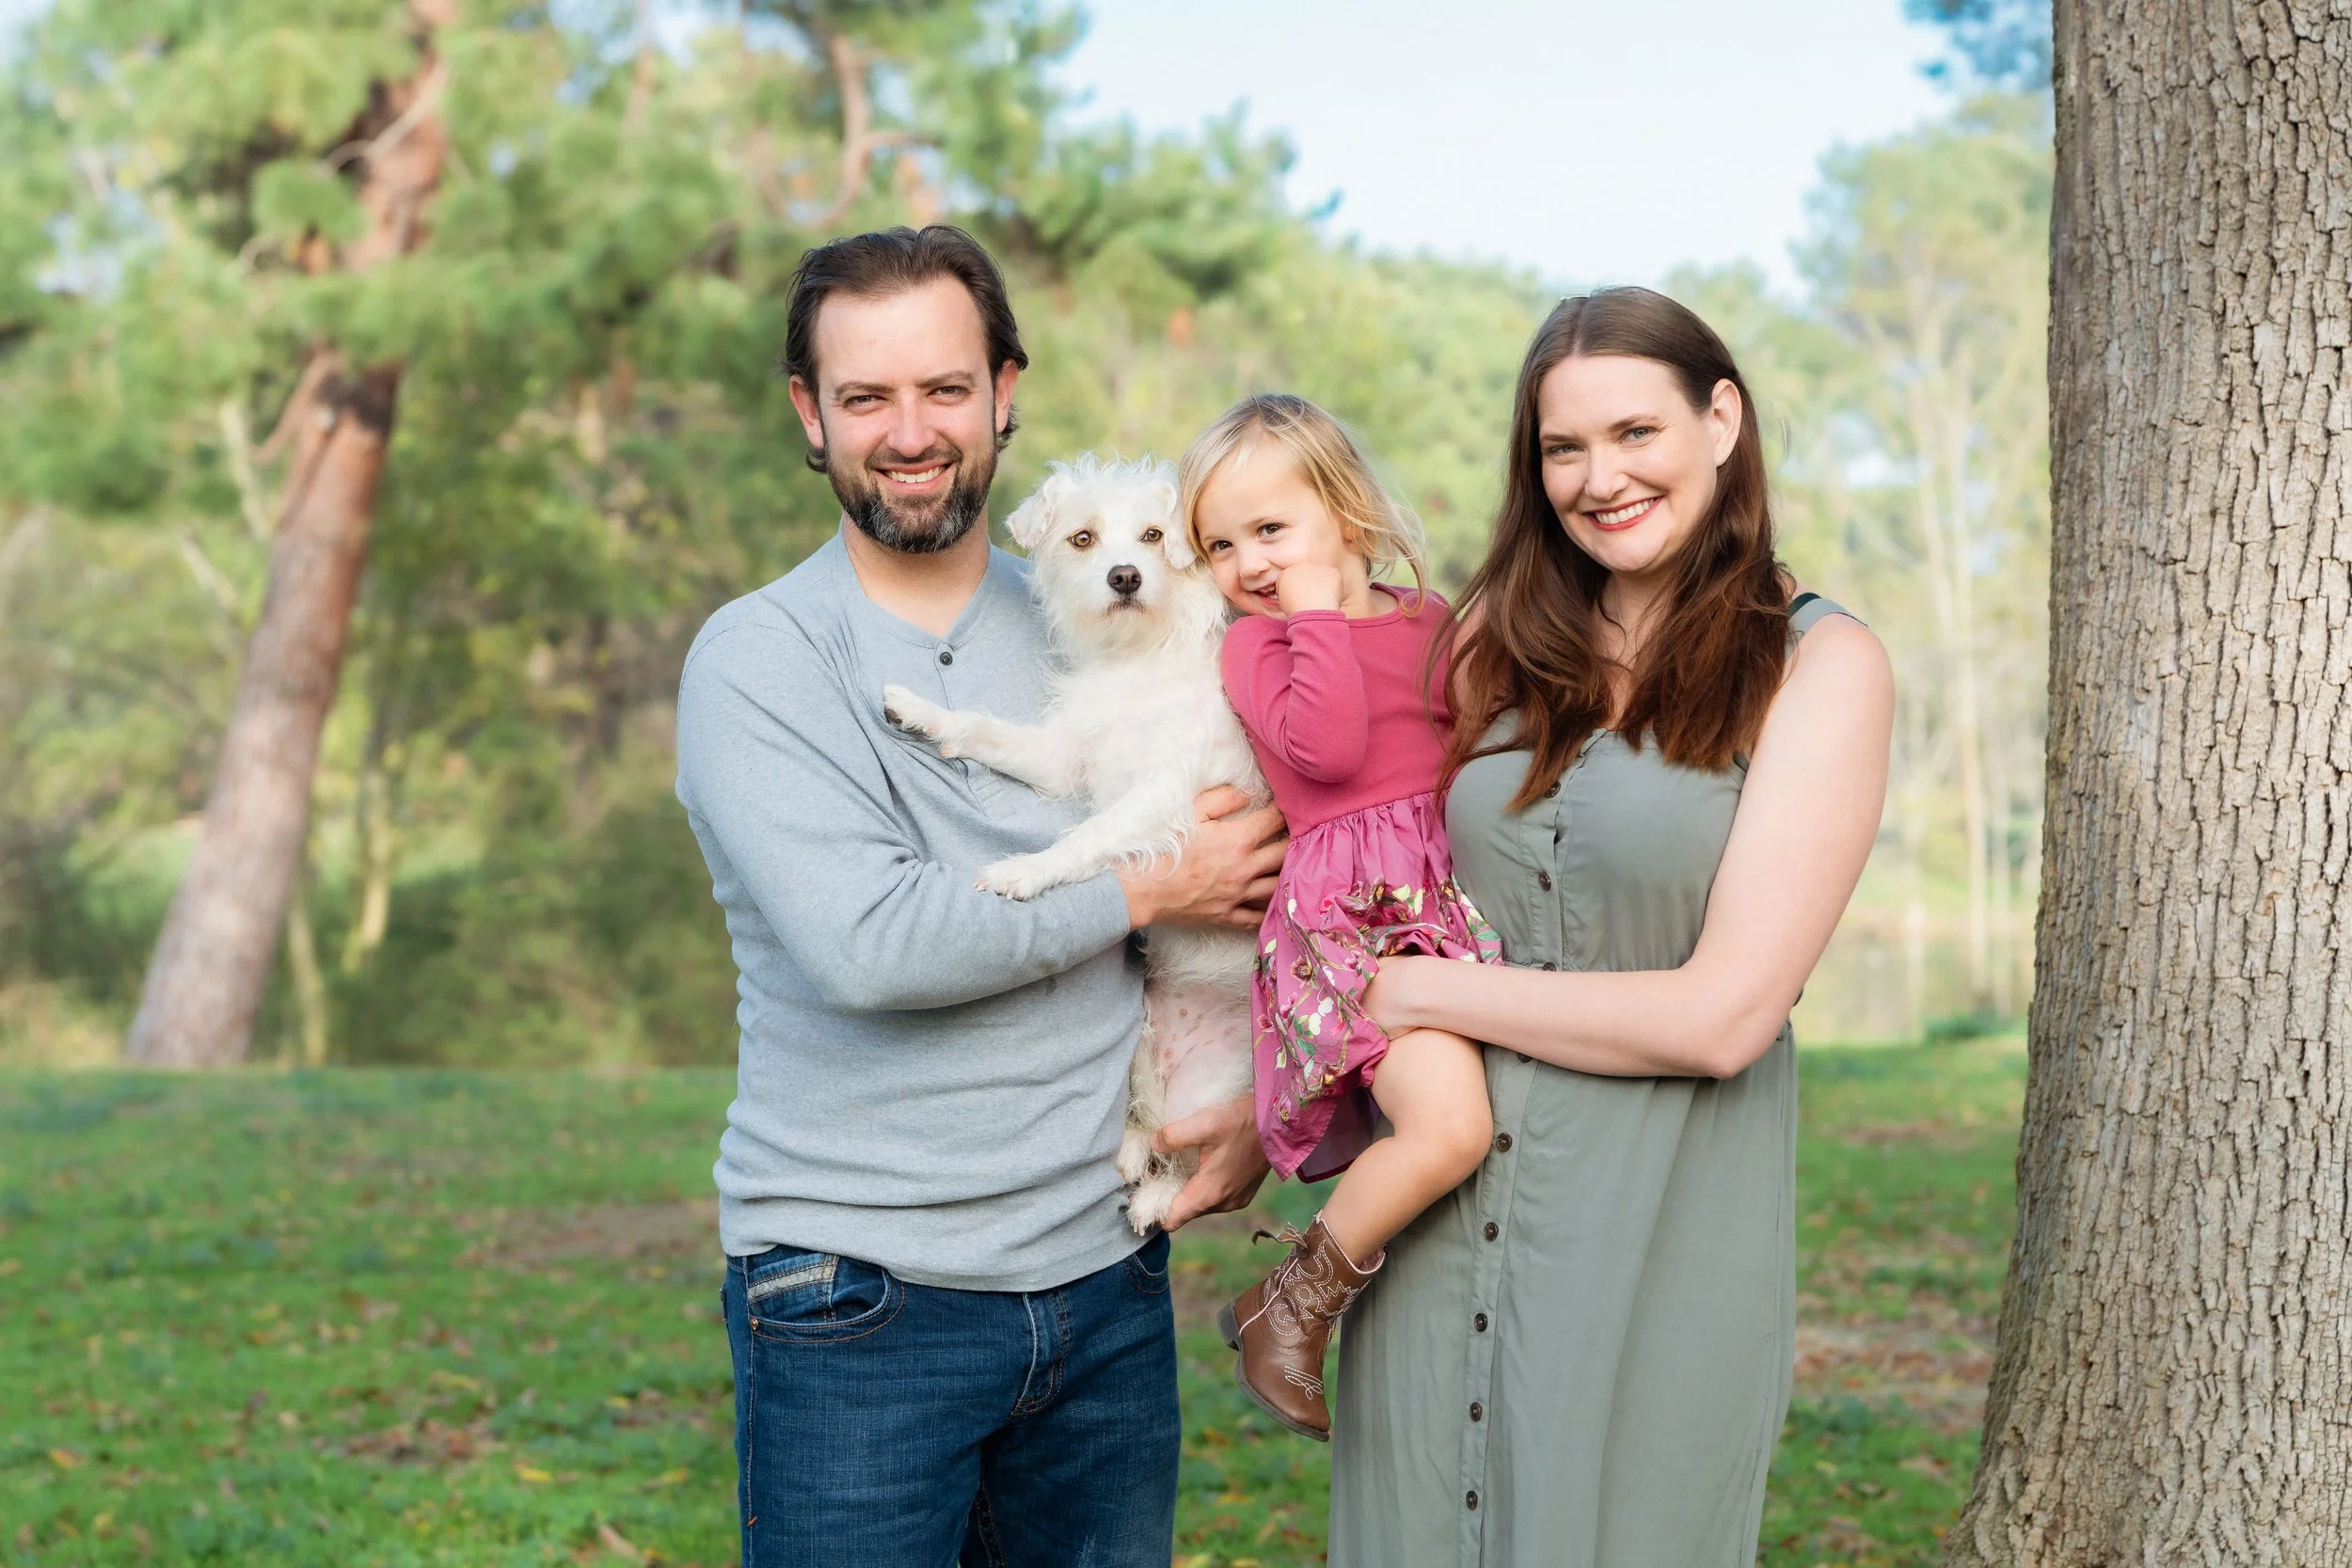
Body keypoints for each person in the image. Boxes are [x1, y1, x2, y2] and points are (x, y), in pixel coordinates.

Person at [672, 225, 1280, 1568]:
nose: (910, 430)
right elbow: (874, 945)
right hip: (857, 1296)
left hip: (1103, 1282)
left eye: (944, 388)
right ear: (808, 415)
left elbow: (1243, 848)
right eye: (866, 395)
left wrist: (1240, 1090)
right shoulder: (760, 660)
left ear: (1004, 392)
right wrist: (1154, 879)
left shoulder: (1104, 603)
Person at [1327, 287, 1894, 1567]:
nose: (1601, 477)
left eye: (1636, 431)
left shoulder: (1819, 664)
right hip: (1430, 1236)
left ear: (1723, 420)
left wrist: (1424, 996)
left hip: (1657, 1253)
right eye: (1563, 447)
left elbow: (1723, 1015)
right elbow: (1346, 844)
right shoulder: (1484, 640)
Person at [1176, 394, 1502, 1442]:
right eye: (1218, 544)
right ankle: (1288, 1307)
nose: (1248, 563)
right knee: (1451, 1125)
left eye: (1272, 530)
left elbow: (1474, 750)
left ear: (1349, 513)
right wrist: (1314, 610)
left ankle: (1301, 1308)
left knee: (1474, 1125)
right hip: (1348, 926)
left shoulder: (1428, 618)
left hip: (1437, 908)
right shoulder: (1260, 651)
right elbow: (1323, 751)